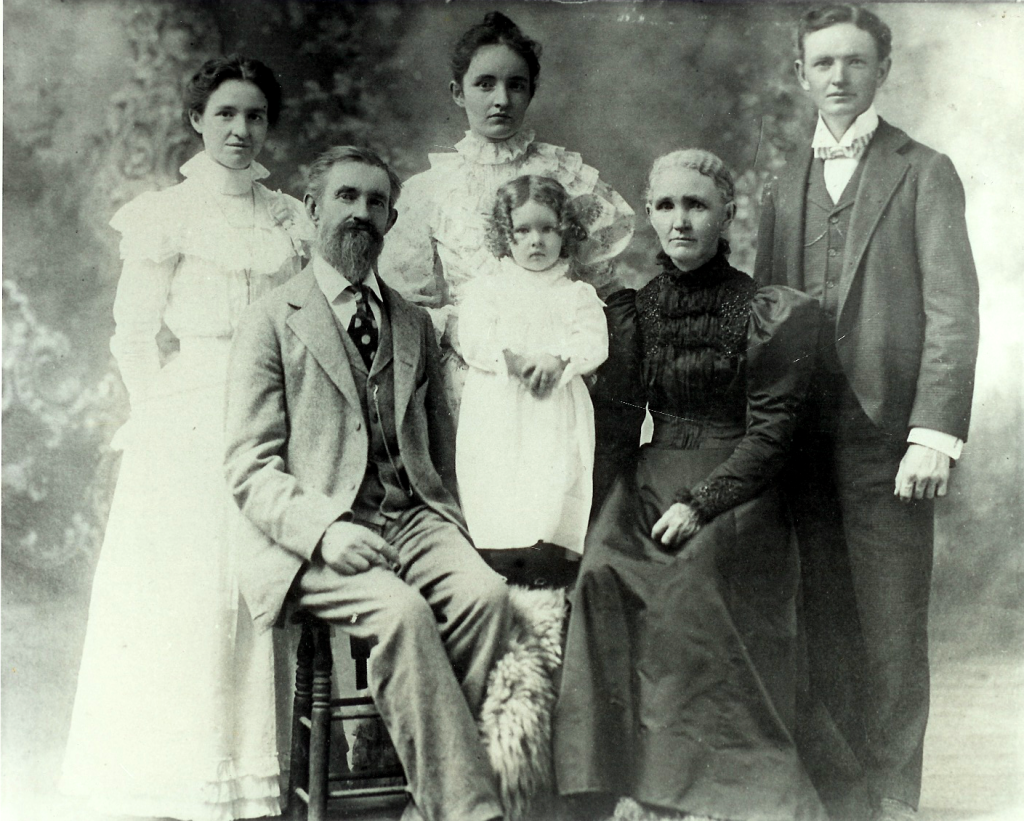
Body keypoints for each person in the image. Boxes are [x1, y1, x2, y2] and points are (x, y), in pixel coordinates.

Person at [224, 145, 511, 821]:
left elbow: (438, 449)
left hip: (412, 517)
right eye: (346, 197)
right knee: (404, 614)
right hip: (313, 533)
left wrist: (450, 524)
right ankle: (470, 811)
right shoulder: (270, 318)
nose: (361, 213)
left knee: (489, 599)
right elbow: (248, 465)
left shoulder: (411, 320)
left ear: (392, 217)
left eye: (375, 202)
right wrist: (323, 533)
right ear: (314, 207)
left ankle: (425, 793)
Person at [61, 56, 310, 820]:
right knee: (180, 592)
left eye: (255, 116)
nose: (240, 130)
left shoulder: (287, 218)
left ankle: (246, 780)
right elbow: (133, 336)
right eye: (225, 114)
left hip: (270, 412)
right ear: (197, 121)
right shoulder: (164, 213)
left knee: (250, 586)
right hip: (186, 416)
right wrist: (163, 415)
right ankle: (169, 776)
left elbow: (301, 322)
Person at [754, 7, 980, 821]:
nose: (839, 77)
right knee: (818, 617)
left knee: (889, 623)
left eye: (855, 62)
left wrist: (934, 435)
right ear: (803, 73)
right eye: (824, 63)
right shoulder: (785, 181)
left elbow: (954, 312)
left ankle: (894, 794)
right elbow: (766, 315)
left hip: (889, 437)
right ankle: (840, 792)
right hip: (800, 440)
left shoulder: (924, 170)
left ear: (882, 70)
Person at [554, 149, 826, 821]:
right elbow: (618, 428)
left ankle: (710, 790)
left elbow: (772, 435)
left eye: (697, 205)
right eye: (668, 206)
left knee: (690, 582)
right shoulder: (634, 309)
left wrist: (701, 501)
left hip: (736, 485)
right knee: (600, 573)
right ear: (650, 214)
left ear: (727, 215)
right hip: (651, 475)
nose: (681, 221)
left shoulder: (766, 311)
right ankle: (622, 781)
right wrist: (591, 517)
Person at [377, 11, 634, 416]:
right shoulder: (432, 190)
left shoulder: (562, 178)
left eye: (516, 85)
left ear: (531, 92)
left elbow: (596, 289)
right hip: (470, 374)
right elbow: (410, 303)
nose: (501, 100)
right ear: (458, 92)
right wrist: (465, 337)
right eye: (484, 84)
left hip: (554, 375)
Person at [457, 175, 608, 588]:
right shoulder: (488, 290)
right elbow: (471, 338)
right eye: (522, 230)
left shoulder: (576, 294)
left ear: (565, 233)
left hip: (554, 413)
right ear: (506, 236)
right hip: (499, 411)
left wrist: (558, 360)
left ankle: (546, 574)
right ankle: (499, 566)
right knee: (500, 486)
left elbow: (594, 342)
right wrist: (516, 360)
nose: (535, 241)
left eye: (547, 229)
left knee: (551, 485)